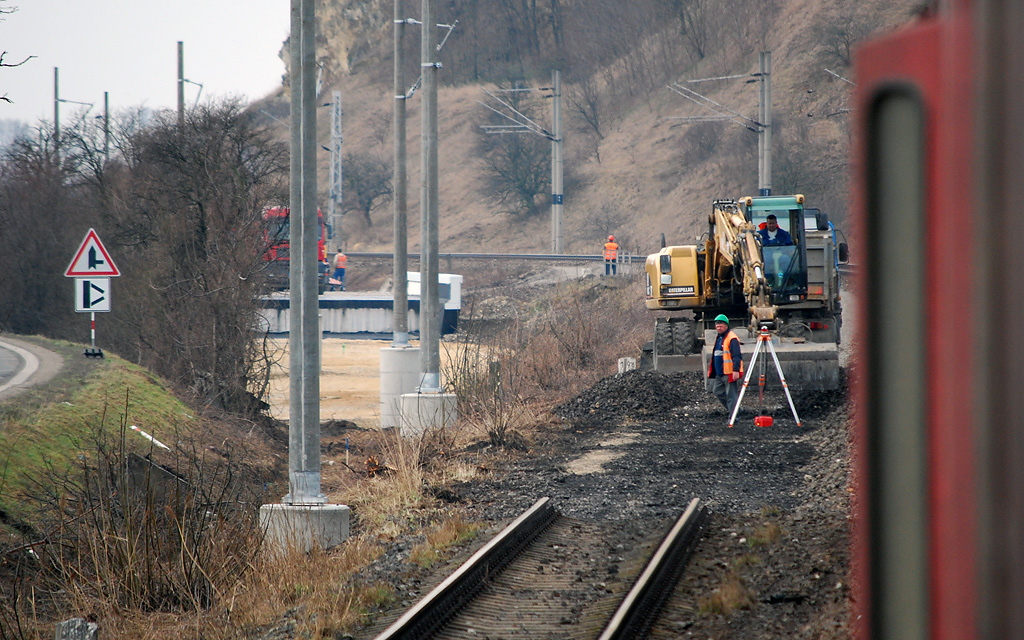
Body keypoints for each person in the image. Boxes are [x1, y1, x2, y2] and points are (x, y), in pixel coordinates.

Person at [707, 314, 744, 415]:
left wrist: (736, 370)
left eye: (721, 325)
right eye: (717, 325)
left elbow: (736, 356)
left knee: (731, 395)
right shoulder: (719, 338)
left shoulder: (732, 338)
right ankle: (736, 411)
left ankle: (734, 417)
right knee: (717, 391)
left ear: (726, 326)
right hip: (720, 373)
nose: (718, 327)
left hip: (729, 373)